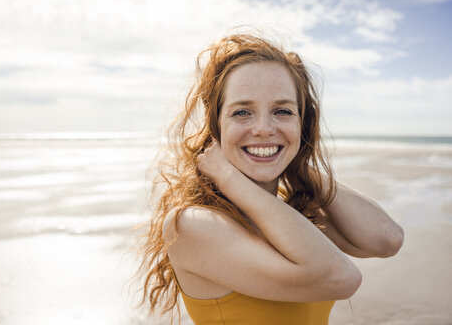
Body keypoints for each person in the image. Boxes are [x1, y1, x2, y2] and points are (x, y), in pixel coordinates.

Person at [136, 33, 404, 324]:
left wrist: (297, 163)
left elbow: (386, 239)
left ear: (303, 124)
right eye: (242, 112)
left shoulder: (290, 212)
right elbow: (340, 277)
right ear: (216, 127)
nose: (264, 128)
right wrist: (228, 178)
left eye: (282, 111)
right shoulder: (192, 224)